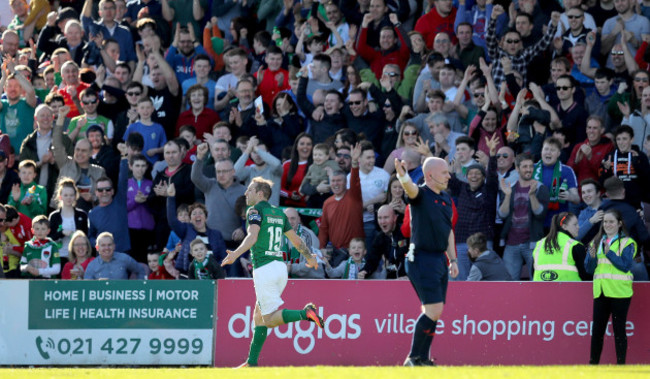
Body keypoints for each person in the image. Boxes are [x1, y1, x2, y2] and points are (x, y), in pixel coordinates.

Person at [221, 177, 325, 367]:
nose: (246, 193)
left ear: (260, 194)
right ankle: (251, 363)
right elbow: (295, 240)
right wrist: (310, 257)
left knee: (268, 319)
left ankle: (305, 313)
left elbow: (252, 237)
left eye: (250, 190)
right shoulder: (278, 212)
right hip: (280, 268)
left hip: (265, 269)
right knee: (258, 317)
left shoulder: (255, 210)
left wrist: (235, 254)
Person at [395, 155, 459, 366]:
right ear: (430, 175)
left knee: (435, 311)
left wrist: (453, 259)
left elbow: (448, 231)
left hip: (439, 259)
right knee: (433, 310)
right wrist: (403, 177)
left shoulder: (447, 199)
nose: (449, 176)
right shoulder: (420, 194)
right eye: (444, 173)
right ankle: (413, 358)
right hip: (422, 257)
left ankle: (422, 358)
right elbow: (410, 189)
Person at [586, 209, 636, 365]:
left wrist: (610, 254)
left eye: (611, 222)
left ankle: (621, 366)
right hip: (600, 291)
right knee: (597, 332)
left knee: (619, 331)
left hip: (620, 292)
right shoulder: (596, 241)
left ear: (619, 224)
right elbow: (589, 269)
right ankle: (593, 365)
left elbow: (625, 266)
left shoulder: (628, 242)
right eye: (605, 222)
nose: (607, 224)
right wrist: (593, 258)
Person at [499, 153, 549, 281]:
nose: (528, 169)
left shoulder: (540, 188)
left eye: (531, 166)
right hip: (511, 243)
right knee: (508, 284)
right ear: (517, 168)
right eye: (525, 166)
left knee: (537, 282)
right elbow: (502, 214)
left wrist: (532, 195)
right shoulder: (510, 188)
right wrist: (508, 196)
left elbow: (540, 214)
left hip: (532, 243)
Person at [532, 212, 590, 282]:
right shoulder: (575, 246)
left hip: (540, 291)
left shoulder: (539, 244)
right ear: (564, 227)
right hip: (570, 291)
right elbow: (585, 275)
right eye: (575, 224)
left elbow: (532, 271)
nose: (578, 227)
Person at [48, 179, 88, 266]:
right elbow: (49, 238)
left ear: (75, 196)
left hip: (77, 257)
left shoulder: (82, 215)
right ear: (60, 197)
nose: (69, 198)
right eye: (65, 195)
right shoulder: (54, 216)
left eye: (71, 195)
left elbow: (86, 236)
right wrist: (62, 233)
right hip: (59, 257)